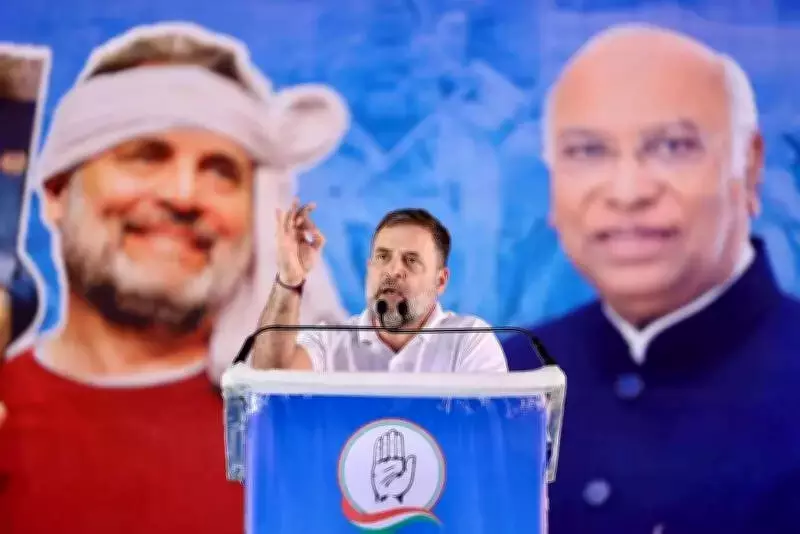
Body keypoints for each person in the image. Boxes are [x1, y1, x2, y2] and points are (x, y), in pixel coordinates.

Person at [0, 22, 349, 534]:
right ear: (56, 193)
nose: (184, 196)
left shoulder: (317, 430)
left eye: (221, 171)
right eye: (145, 155)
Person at [503, 24, 800, 534]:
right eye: (587, 151)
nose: (627, 192)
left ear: (749, 168)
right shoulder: (501, 383)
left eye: (672, 147)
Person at [252, 205, 508, 372]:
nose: (393, 270)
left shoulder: (470, 342)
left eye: (411, 260)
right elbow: (269, 378)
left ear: (440, 281)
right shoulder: (330, 342)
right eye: (383, 257)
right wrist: (290, 279)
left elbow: (485, 434)